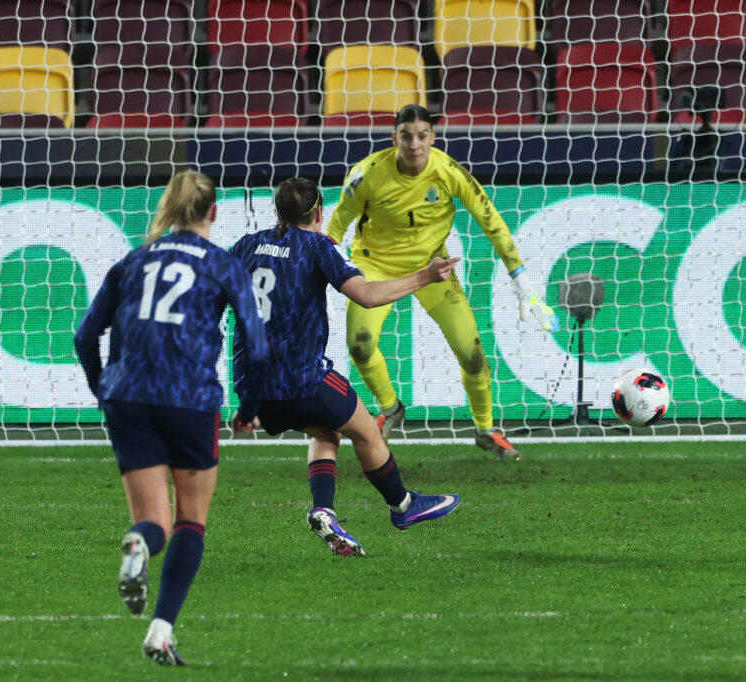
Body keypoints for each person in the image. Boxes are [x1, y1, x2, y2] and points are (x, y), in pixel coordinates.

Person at [74, 171, 267, 666]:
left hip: (128, 398)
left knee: (152, 520)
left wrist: (103, 390)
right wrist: (248, 409)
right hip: (189, 397)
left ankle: (140, 543)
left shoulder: (133, 261)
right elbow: (258, 346)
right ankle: (159, 631)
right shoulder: (223, 264)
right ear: (213, 213)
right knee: (190, 521)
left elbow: (84, 336)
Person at [229, 177, 461, 557]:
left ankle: (324, 510)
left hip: (253, 389)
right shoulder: (319, 246)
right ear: (320, 212)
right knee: (368, 431)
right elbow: (366, 296)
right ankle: (403, 506)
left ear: (279, 212)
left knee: (326, 433)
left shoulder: (247, 245)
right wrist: (424, 276)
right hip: (303, 379)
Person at [325, 104, 557, 461]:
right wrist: (333, 274)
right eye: (406, 137)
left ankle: (485, 428)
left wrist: (522, 282)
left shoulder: (450, 173)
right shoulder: (366, 175)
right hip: (374, 268)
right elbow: (335, 230)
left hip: (434, 270)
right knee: (359, 346)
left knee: (473, 355)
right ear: (394, 139)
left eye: (421, 136)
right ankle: (390, 406)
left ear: (432, 137)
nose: (414, 145)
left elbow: (491, 221)